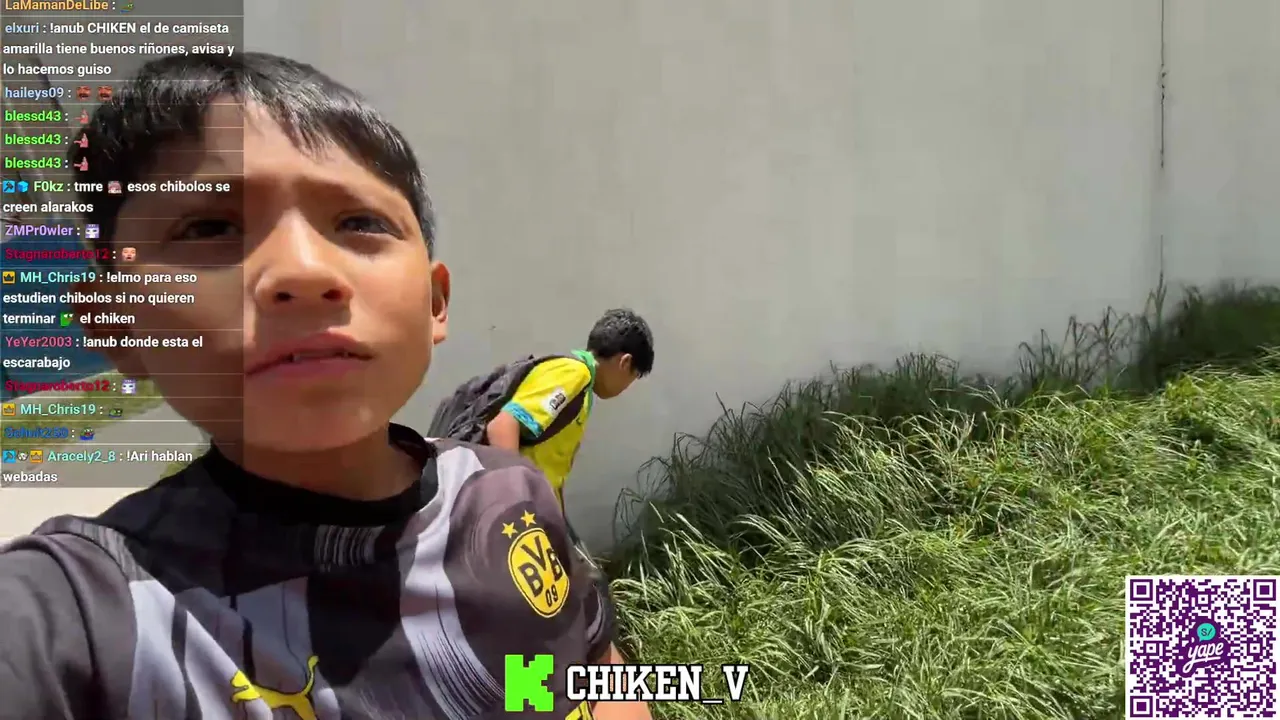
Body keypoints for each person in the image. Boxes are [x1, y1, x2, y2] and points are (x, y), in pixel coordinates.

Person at [0, 52, 650, 719]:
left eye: (360, 223)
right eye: (210, 227)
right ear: (117, 324)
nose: (304, 270)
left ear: (434, 303)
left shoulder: (508, 494)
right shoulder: (82, 611)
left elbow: (593, 669)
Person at [485, 309, 654, 514]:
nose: (626, 387)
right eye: (632, 377)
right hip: (518, 513)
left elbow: (554, 473)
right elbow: (502, 427)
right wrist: (515, 505)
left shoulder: (583, 392)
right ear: (624, 362)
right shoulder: (575, 374)